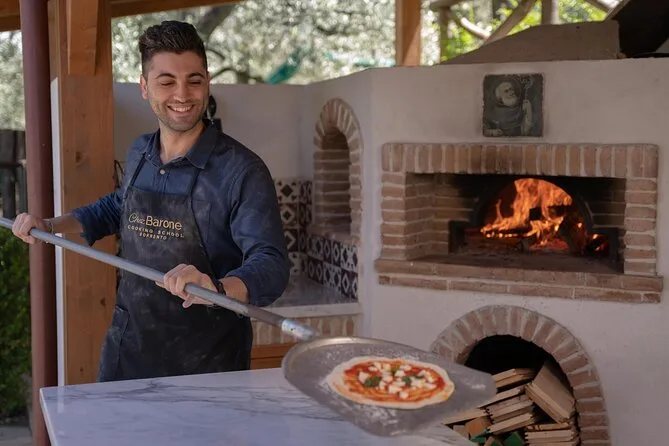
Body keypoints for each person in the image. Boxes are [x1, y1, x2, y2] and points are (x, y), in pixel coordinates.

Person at [12, 20, 290, 382]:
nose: (183, 94)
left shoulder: (241, 170)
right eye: (166, 81)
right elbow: (116, 207)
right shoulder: (140, 151)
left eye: (194, 80)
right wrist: (50, 225)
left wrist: (217, 289)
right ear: (145, 87)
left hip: (208, 364)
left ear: (207, 82)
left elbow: (271, 265)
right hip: (129, 349)